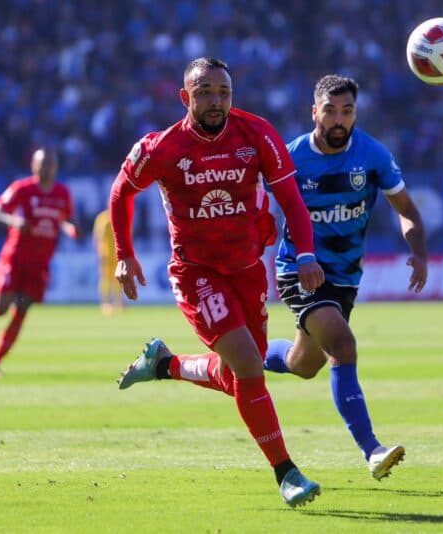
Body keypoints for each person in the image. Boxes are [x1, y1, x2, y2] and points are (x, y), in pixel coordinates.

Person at [111, 57, 325, 508]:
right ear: (185, 97)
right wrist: (124, 255)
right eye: (205, 92)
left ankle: (164, 364)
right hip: (197, 274)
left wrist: (306, 253)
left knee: (237, 378)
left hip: (247, 271)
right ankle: (287, 472)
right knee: (250, 365)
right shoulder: (162, 148)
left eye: (223, 92)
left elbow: (292, 200)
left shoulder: (256, 134)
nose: (215, 101)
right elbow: (121, 193)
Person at [263, 75, 428, 481]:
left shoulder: (372, 155)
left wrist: (419, 252)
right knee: (343, 344)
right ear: (314, 111)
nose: (339, 120)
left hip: (346, 277)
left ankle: (242, 356)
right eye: (331, 111)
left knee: (303, 364)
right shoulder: (292, 157)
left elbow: (406, 209)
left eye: (347, 111)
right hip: (300, 268)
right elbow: (258, 210)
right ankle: (372, 450)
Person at [0, 148, 79, 377]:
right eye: (42, 165)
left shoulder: (62, 193)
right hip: (16, 258)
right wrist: (13, 220)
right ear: (34, 166)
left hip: (40, 264)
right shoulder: (22, 189)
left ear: (55, 167)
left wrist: (70, 228)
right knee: (3, 307)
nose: (46, 169)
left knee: (21, 311)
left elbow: (66, 219)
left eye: (50, 164)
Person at [92, 208, 123, 315]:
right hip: (105, 253)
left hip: (117, 254)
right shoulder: (102, 218)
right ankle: (105, 303)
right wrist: (98, 252)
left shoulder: (119, 216)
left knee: (119, 279)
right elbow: (97, 237)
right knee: (105, 278)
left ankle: (118, 303)